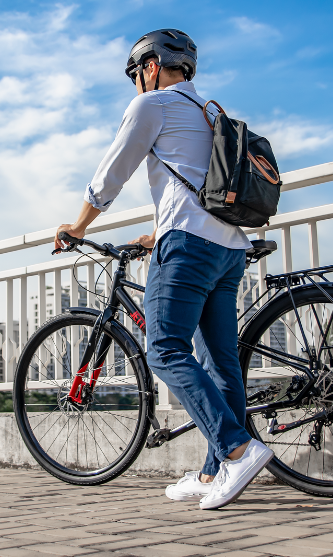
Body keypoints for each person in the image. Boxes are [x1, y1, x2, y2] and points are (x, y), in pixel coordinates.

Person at [54, 29, 274, 509]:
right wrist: (156, 233)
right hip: (228, 248)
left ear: (150, 66)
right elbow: (199, 181)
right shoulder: (208, 110)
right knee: (219, 361)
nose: (136, 84)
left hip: (190, 247)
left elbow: (113, 171)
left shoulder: (151, 106)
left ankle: (238, 449)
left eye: (136, 74)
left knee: (164, 351)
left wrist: (78, 224)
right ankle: (216, 469)